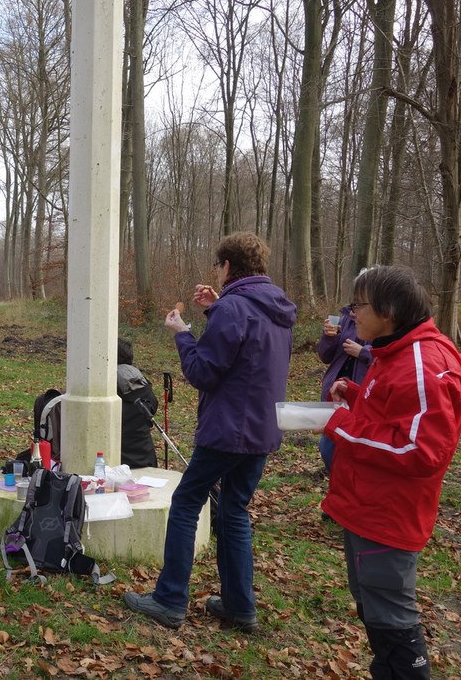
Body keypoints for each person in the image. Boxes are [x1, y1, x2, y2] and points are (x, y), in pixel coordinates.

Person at [123, 232, 296, 633]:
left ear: (228, 266)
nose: (217, 273)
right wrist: (216, 310)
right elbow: (246, 347)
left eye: (219, 266)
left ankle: (168, 600)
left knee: (186, 502)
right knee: (235, 511)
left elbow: (203, 372)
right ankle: (239, 607)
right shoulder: (273, 308)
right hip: (262, 430)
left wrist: (182, 333)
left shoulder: (234, 308)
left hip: (228, 429)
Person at [321, 266, 461, 679]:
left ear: (390, 310)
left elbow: (420, 449)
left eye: (359, 305)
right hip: (365, 505)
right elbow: (397, 414)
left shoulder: (421, 362)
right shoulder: (393, 350)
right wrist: (357, 396)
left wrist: (341, 424)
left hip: (387, 515)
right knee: (374, 610)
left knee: (392, 622)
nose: (352, 314)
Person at [315, 306, 372, 473]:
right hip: (336, 392)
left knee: (352, 447)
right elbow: (325, 356)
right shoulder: (344, 319)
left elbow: (388, 356)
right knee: (328, 447)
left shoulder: (382, 321)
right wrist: (329, 337)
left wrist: (363, 352)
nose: (355, 309)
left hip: (362, 393)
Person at [116, 337, 159, 469]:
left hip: (116, 463)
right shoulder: (142, 382)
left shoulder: (106, 386)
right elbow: (153, 407)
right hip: (145, 458)